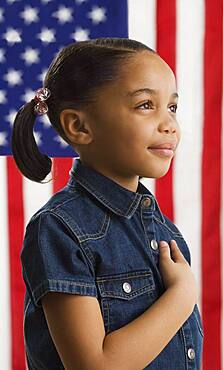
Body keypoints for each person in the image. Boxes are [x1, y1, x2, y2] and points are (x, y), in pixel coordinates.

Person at [11, 37, 204, 370]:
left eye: (172, 107)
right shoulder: (60, 227)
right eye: (145, 105)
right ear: (79, 126)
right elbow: (94, 365)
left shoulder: (162, 230)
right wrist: (181, 296)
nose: (169, 124)